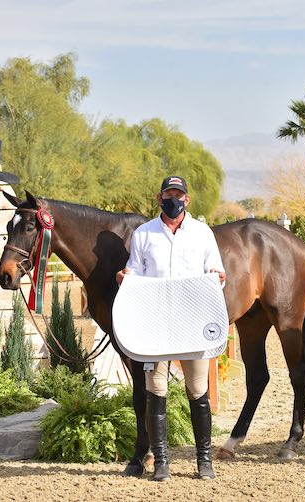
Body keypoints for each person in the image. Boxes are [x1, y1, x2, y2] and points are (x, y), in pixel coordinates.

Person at [116, 175, 226, 482]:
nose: (173, 200)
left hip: (193, 323)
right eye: (168, 194)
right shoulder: (144, 234)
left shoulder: (203, 234)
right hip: (156, 324)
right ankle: (161, 461)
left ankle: (204, 460)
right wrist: (125, 276)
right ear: (159, 197)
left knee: (198, 390)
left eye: (178, 195)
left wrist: (218, 278)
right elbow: (135, 271)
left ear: (187, 199)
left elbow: (216, 272)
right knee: (156, 390)